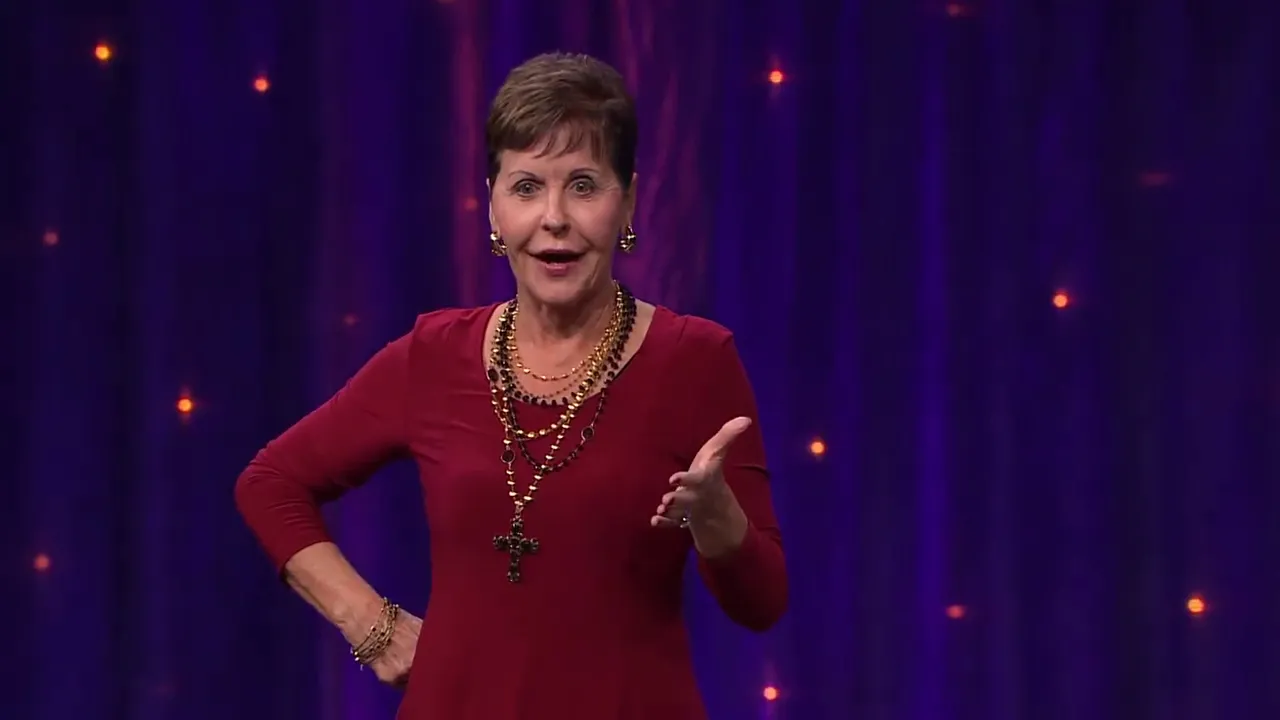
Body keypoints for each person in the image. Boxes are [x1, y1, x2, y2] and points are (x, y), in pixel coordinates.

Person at [234, 51, 787, 720]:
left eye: (583, 185)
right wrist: (371, 623)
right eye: (527, 187)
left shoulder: (695, 361)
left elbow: (763, 602)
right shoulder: (434, 355)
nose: (554, 217)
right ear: (494, 206)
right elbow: (271, 484)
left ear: (629, 201)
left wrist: (719, 519)